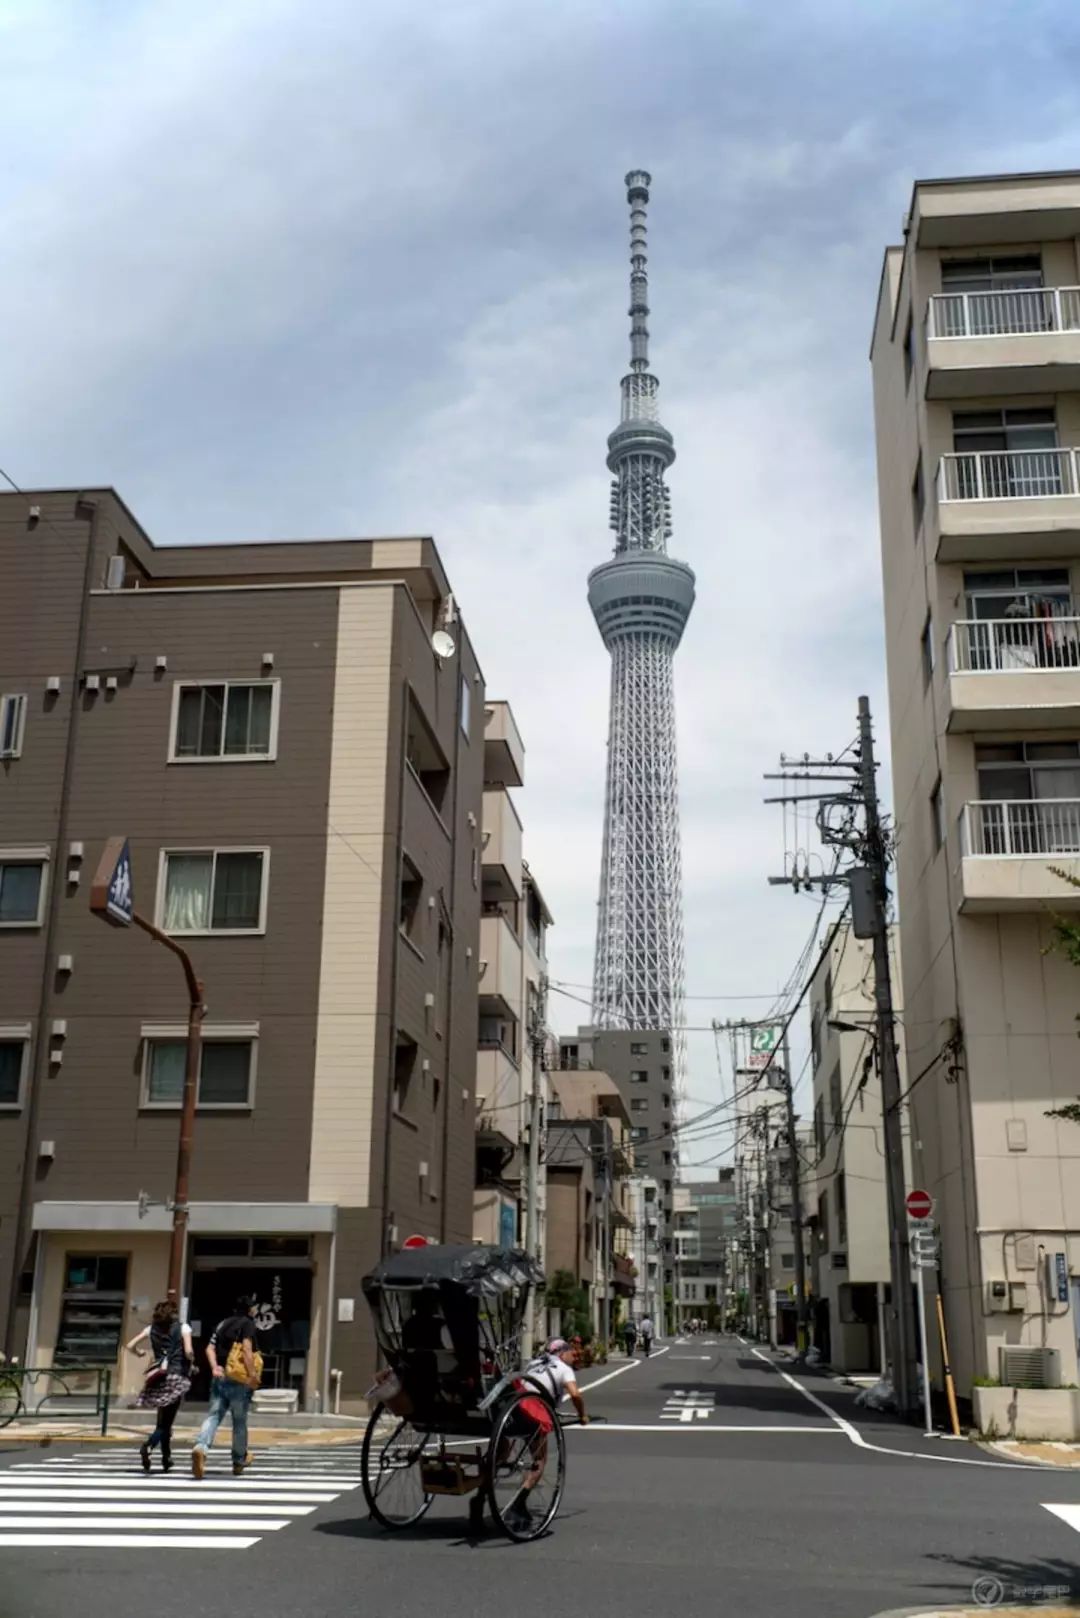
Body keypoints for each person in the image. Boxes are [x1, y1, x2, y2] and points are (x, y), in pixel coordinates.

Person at [502, 1338, 589, 1533]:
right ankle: (517, 1504)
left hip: (514, 1407)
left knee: (504, 1450)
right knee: (539, 1461)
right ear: (561, 1353)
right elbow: (575, 1395)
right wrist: (582, 1415)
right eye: (569, 1352)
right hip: (533, 1410)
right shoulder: (563, 1368)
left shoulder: (534, 1362)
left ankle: (481, 1498)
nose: (571, 1356)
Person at [191, 1295, 261, 1478]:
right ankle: (239, 1460)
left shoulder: (222, 1324)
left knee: (214, 1415)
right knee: (239, 1421)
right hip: (239, 1379)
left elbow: (209, 1348)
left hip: (220, 1376)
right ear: (249, 1309)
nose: (255, 1310)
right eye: (253, 1307)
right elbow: (246, 1350)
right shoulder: (247, 1324)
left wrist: (215, 1367)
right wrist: (253, 1376)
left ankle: (201, 1447)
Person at [126, 1300, 193, 1472]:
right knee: (166, 1423)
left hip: (159, 1377)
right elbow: (188, 1351)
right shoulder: (183, 1328)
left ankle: (166, 1457)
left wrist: (139, 1353)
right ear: (173, 1313)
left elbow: (130, 1345)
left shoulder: (151, 1329)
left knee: (163, 1420)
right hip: (176, 1375)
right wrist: (192, 1362)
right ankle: (148, 1445)